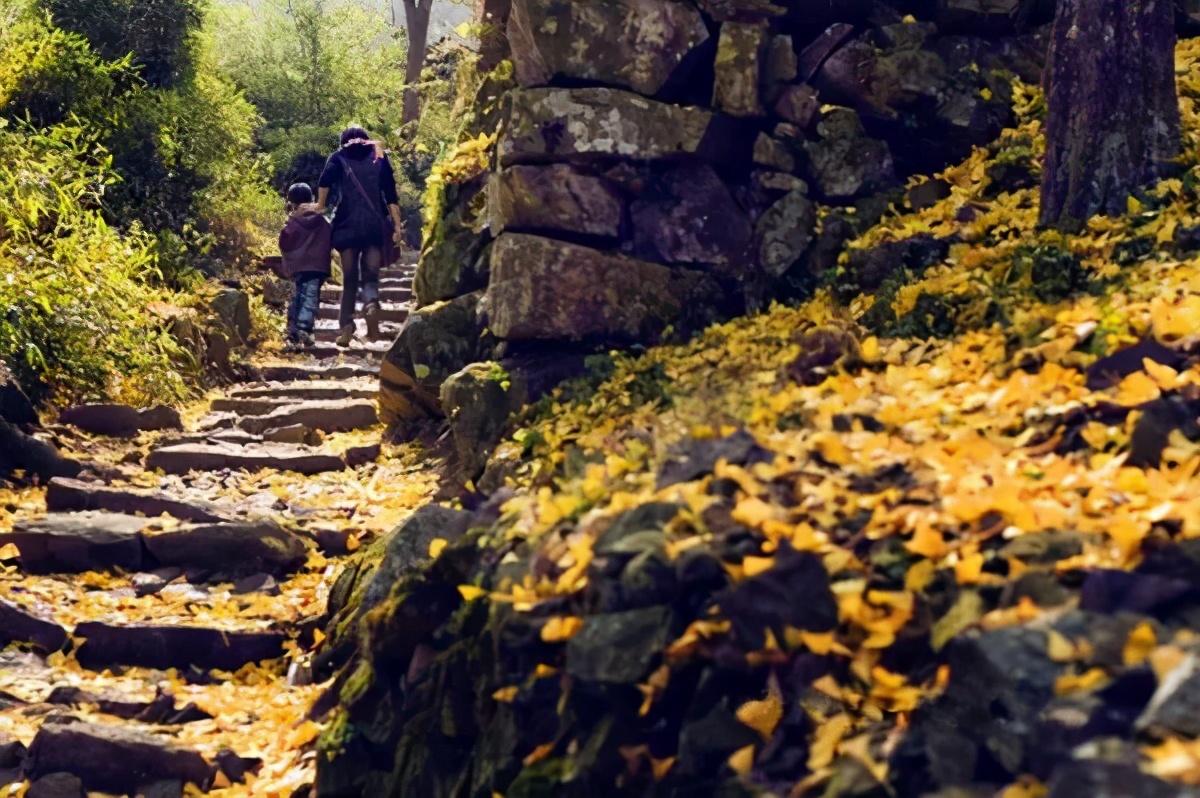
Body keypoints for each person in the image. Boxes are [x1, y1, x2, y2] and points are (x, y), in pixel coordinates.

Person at [316, 126, 405, 347]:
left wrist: (320, 205)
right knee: (370, 276)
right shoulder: (378, 157)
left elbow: (324, 181)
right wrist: (396, 227)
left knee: (350, 280)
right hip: (374, 226)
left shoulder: (338, 157)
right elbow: (391, 195)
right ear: (366, 140)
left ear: (343, 141)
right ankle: (371, 303)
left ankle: (346, 326)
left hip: (346, 226)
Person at [278, 183, 332, 350]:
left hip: (298, 266)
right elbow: (331, 238)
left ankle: (293, 332)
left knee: (297, 296)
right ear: (312, 199)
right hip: (317, 266)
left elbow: (285, 243)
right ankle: (305, 329)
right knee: (310, 296)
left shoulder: (294, 221)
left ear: (292, 203)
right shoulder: (323, 220)